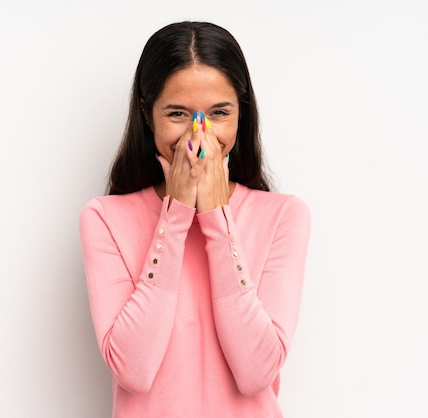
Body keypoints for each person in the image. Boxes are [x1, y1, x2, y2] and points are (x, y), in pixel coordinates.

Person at [79, 21, 311, 418]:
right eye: (177, 114)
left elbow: (256, 373)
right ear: (147, 115)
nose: (198, 137)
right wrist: (176, 214)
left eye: (218, 113)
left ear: (242, 114)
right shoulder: (104, 219)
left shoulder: (284, 216)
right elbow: (133, 369)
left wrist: (218, 220)